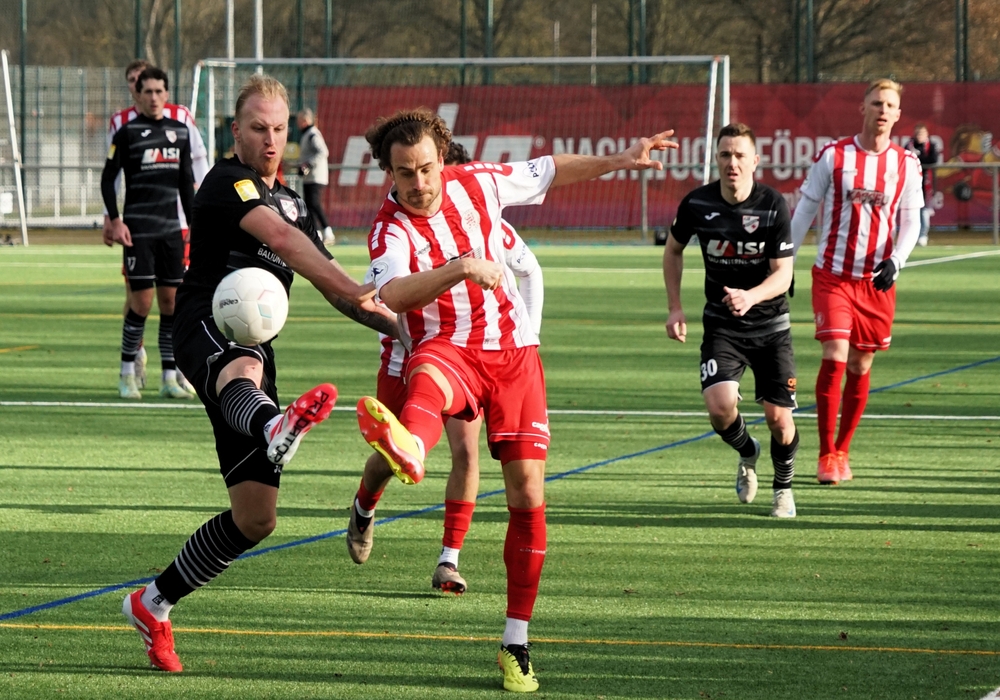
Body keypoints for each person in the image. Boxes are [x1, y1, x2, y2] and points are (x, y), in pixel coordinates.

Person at [347, 107, 675, 692]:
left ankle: (515, 641)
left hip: (512, 354)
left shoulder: (479, 182)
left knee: (527, 493)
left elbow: (551, 170)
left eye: (425, 168)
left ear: (442, 158)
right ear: (388, 174)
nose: (418, 184)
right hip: (445, 345)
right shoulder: (388, 229)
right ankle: (407, 453)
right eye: (405, 174)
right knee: (428, 382)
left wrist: (621, 160)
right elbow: (394, 295)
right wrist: (460, 268)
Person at [120, 74, 397, 673]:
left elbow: (333, 285)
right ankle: (275, 426)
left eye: (278, 129)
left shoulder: (294, 202)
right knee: (239, 368)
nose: (271, 140)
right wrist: (354, 285)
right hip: (204, 322)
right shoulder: (226, 181)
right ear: (235, 131)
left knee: (255, 517)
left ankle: (152, 603)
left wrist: (405, 332)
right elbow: (285, 243)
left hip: (256, 345)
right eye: (257, 128)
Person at [346, 141, 545, 597]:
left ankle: (448, 559)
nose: (428, 189)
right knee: (394, 456)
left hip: (464, 354)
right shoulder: (395, 229)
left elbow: (530, 269)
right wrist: (386, 315)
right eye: (412, 176)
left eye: (435, 175)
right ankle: (364, 503)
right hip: (406, 355)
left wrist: (527, 337)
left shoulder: (486, 222)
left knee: (466, 452)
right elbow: (376, 294)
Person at [790, 79, 923, 484]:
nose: (883, 110)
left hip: (875, 283)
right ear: (862, 108)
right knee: (835, 354)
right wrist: (785, 263)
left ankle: (843, 449)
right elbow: (805, 210)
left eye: (890, 105)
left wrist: (896, 261)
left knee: (861, 363)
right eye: (876, 103)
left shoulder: (906, 163)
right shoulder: (834, 155)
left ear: (898, 115)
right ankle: (825, 455)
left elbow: (912, 221)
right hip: (832, 276)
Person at [664, 123, 799, 518]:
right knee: (720, 406)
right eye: (725, 155)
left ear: (755, 161)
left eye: (740, 155)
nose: (732, 163)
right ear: (716, 159)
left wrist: (751, 296)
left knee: (779, 420)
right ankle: (747, 450)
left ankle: (783, 488)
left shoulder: (773, 204)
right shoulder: (697, 203)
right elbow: (673, 251)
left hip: (771, 327)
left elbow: (784, 275)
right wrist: (675, 307)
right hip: (722, 325)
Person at [103, 59, 209, 396]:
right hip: (138, 231)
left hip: (171, 231)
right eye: (147, 91)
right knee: (141, 304)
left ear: (166, 94)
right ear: (138, 94)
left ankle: (169, 378)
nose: (153, 97)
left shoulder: (180, 133)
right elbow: (107, 179)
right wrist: (115, 220)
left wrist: (194, 226)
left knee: (171, 304)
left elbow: (185, 184)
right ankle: (126, 374)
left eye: (159, 91)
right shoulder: (126, 133)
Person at [296, 108, 335, 245]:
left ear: (305, 120)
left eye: (299, 120)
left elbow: (323, 152)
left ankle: (327, 232)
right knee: (310, 205)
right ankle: (316, 233)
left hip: (316, 177)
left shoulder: (313, 134)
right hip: (310, 178)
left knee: (314, 204)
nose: (297, 123)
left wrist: (308, 164)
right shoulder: (307, 134)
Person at [905, 123, 938, 247]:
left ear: (926, 134)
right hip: (911, 182)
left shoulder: (931, 146)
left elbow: (933, 159)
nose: (920, 136)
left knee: (924, 210)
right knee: (911, 209)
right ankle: (911, 235)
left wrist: (918, 157)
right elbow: (905, 159)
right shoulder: (909, 145)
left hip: (926, 183)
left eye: (922, 133)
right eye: (918, 133)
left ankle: (923, 234)